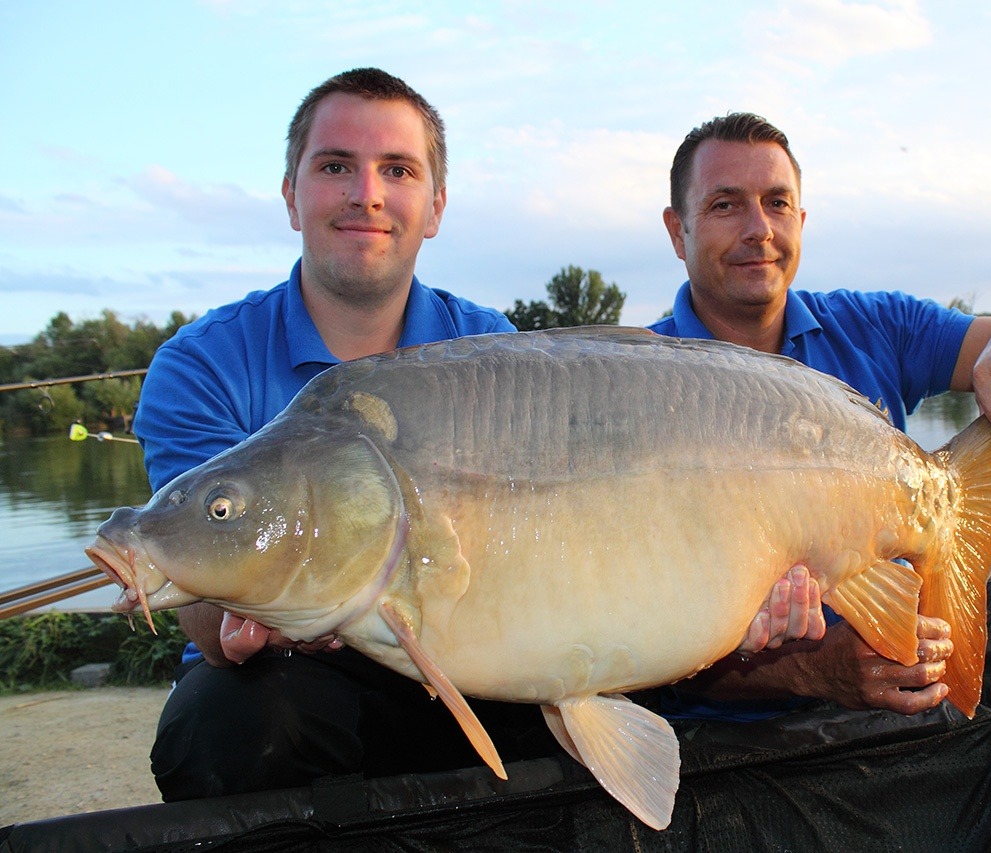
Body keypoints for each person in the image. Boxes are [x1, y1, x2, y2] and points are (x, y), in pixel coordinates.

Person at [133, 70, 808, 802]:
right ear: (292, 194)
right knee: (222, 725)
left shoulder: (495, 351)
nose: (367, 194)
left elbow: (576, 546)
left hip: (480, 663)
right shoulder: (201, 364)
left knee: (541, 738)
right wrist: (231, 617)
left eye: (398, 170)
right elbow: (195, 567)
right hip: (293, 682)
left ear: (435, 206)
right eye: (335, 167)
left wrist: (716, 600)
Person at [648, 112, 991, 746]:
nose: (759, 230)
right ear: (677, 229)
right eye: (725, 205)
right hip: (722, 727)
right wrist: (817, 668)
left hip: (896, 662)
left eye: (778, 203)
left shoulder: (874, 327)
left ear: (801, 221)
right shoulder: (639, 383)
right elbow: (634, 652)